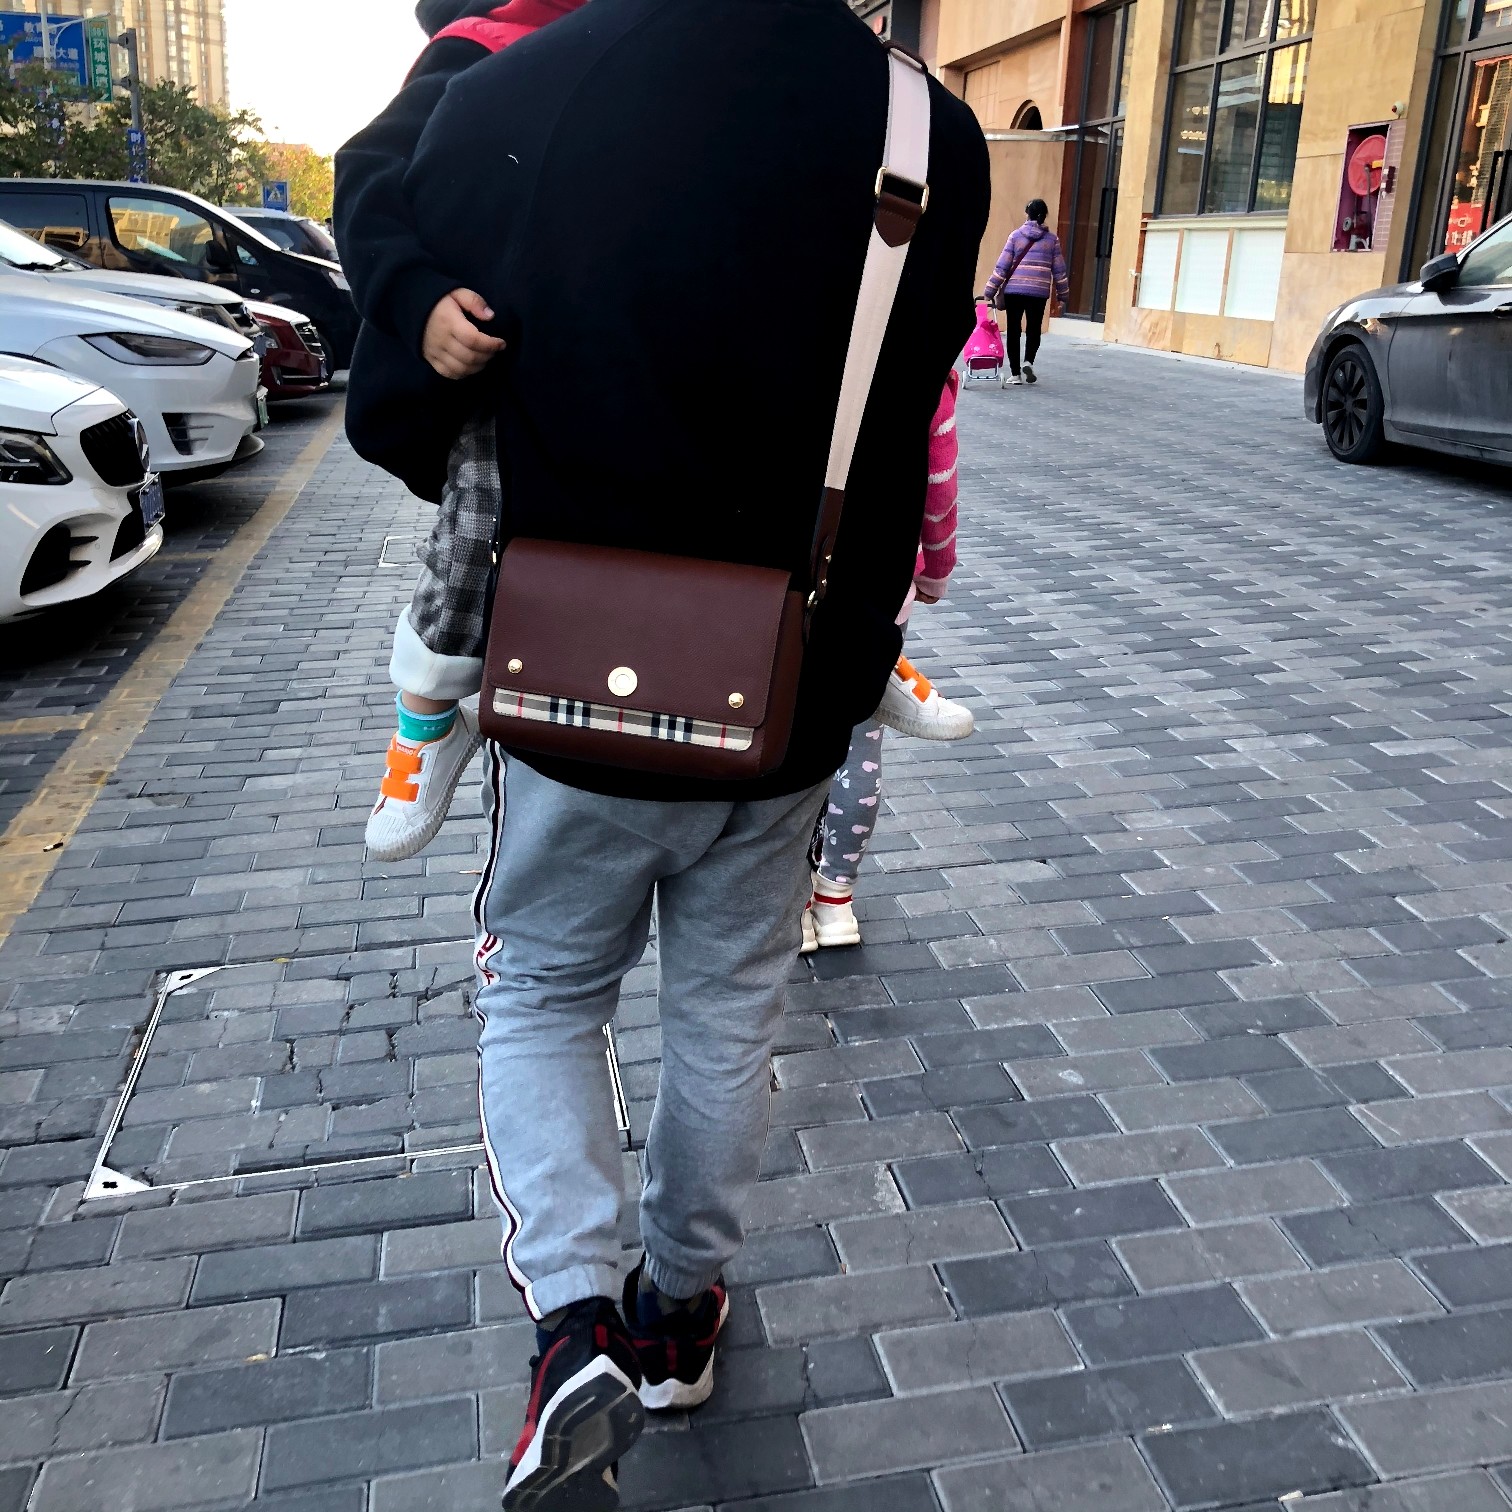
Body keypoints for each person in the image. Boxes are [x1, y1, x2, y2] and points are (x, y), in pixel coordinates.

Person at [344, 1, 990, 1503]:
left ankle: (573, 1325)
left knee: (544, 986)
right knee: (729, 1004)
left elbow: (404, 363)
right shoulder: (926, 130)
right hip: (787, 684)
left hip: (577, 670)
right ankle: (680, 1316)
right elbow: (914, 404)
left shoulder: (527, 87)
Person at [335, 0, 587, 862]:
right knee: (478, 520)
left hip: (629, 351)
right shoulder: (483, 49)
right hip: (504, 357)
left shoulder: (683, 52)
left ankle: (856, 648)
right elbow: (367, 176)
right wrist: (417, 297)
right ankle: (427, 714)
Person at [806, 368, 968, 951]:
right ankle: (835, 901)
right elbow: (938, 485)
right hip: (874, 586)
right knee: (859, 746)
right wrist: (934, 571)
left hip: (775, 585)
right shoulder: (920, 358)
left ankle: (788, 902)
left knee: (782, 748)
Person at [984, 196, 1070, 386]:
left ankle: (1015, 374)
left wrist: (990, 290)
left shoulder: (1015, 236)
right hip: (1038, 292)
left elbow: (1002, 266)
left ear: (1027, 214)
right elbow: (1059, 270)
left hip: (1014, 291)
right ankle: (1028, 362)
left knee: (1014, 330)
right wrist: (1062, 295)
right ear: (1044, 216)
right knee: (1034, 329)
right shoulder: (1052, 240)